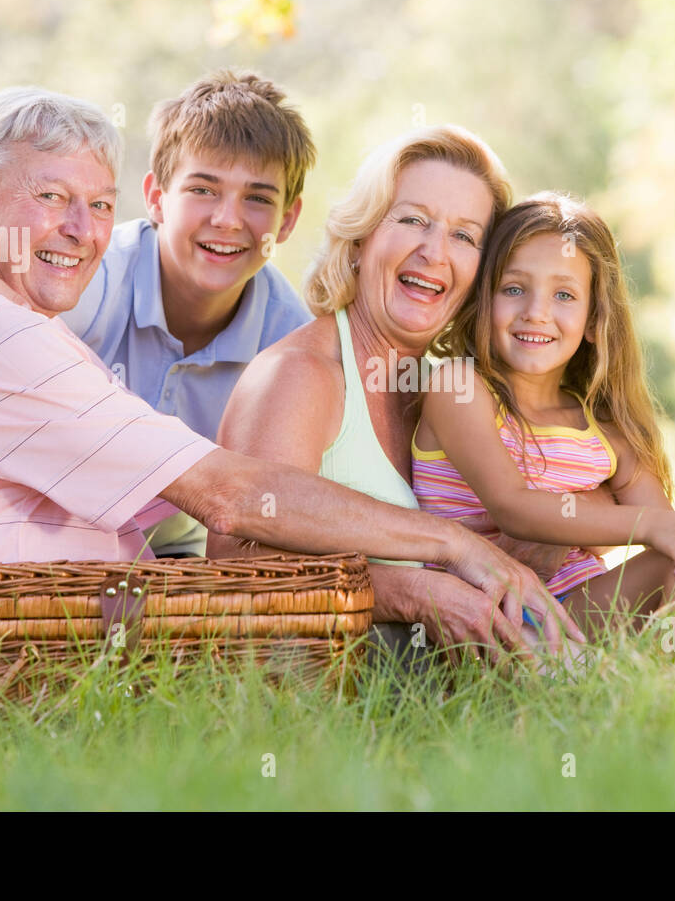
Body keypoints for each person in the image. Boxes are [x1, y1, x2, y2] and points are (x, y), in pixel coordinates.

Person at [0, 87, 561, 663]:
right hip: (20, 664)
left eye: (97, 205)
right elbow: (235, 499)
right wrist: (448, 551)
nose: (81, 230)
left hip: (97, 607)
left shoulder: (23, 317)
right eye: (51, 198)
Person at [0, 70, 317, 557]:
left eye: (257, 198)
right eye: (203, 190)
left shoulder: (286, 339)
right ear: (155, 199)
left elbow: (267, 501)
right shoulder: (81, 277)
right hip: (65, 545)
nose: (228, 219)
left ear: (288, 219)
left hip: (177, 551)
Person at [208, 128, 590, 662]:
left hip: (444, 695)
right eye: (412, 220)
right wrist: (413, 594)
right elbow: (237, 566)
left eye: (464, 236)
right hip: (327, 698)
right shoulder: (301, 374)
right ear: (361, 238)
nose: (434, 252)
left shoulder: (450, 393)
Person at [414, 192, 675, 638]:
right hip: (492, 618)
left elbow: (672, 537)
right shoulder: (459, 388)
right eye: (514, 288)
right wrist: (656, 527)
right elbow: (513, 507)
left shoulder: (605, 431)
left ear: (595, 319)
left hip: (581, 612)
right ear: (483, 300)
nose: (536, 312)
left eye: (564, 295)